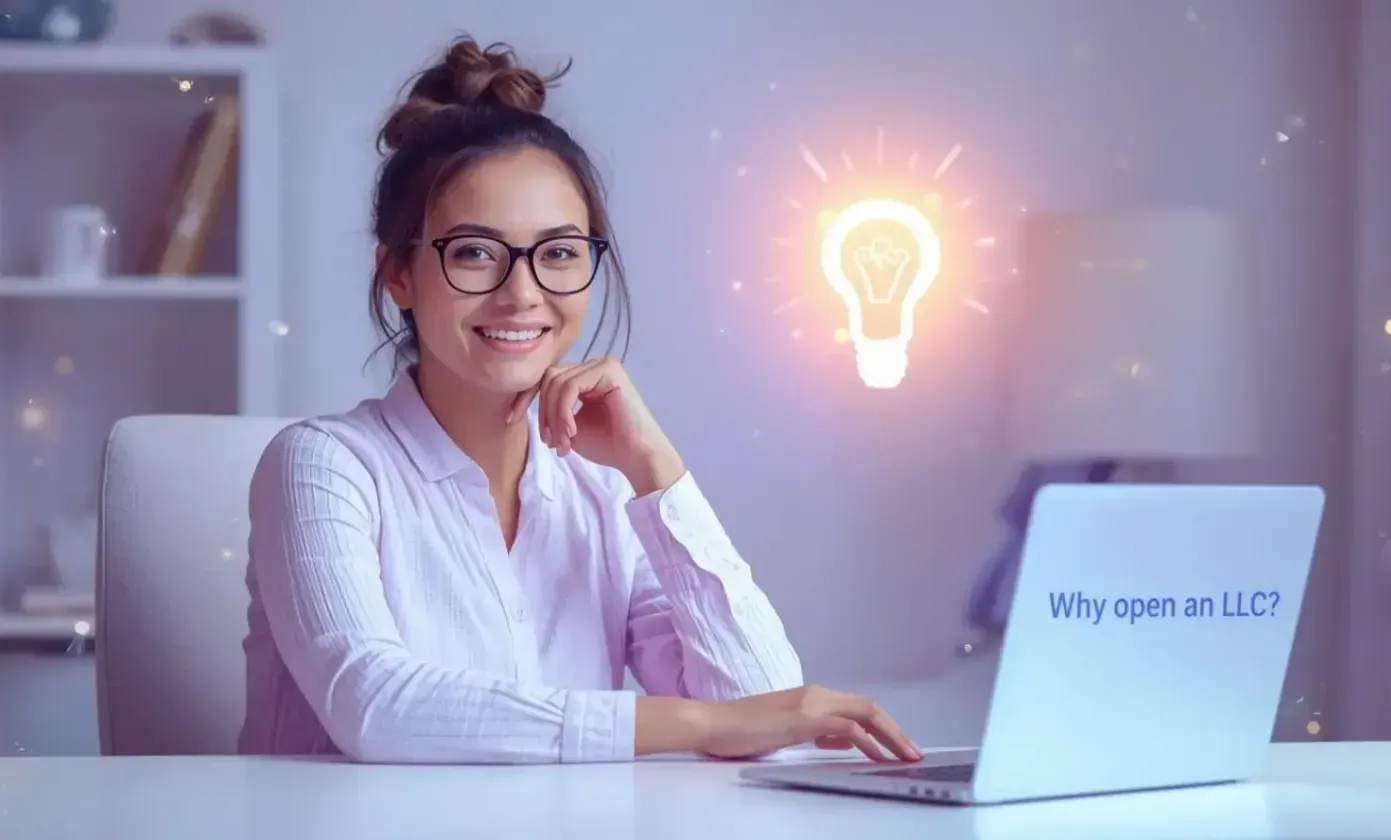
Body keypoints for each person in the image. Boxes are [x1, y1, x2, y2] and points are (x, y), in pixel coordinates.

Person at [237, 36, 923, 765]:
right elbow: (374, 706)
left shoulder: (601, 491)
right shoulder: (323, 466)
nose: (522, 293)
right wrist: (696, 725)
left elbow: (759, 710)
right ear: (398, 274)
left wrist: (657, 473)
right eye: (474, 252)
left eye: (560, 253)